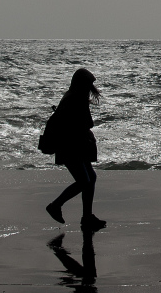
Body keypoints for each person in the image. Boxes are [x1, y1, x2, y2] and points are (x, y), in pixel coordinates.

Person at [45, 68, 106, 230]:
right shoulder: (76, 98)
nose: (90, 87)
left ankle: (87, 217)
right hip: (70, 147)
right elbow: (88, 123)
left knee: (90, 177)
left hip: (73, 146)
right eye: (88, 84)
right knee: (84, 180)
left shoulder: (71, 95)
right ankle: (55, 205)